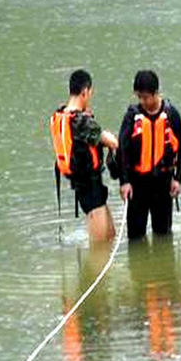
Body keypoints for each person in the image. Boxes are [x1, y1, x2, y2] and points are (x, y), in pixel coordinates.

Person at [117, 70, 181, 240]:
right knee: (135, 237)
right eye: (139, 97)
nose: (143, 101)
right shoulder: (132, 116)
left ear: (156, 93)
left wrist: (178, 179)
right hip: (137, 185)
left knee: (163, 235)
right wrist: (124, 182)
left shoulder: (171, 115)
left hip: (163, 184)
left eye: (146, 97)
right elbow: (122, 151)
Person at [50, 69, 119, 243]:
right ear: (85, 92)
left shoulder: (61, 114)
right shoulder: (81, 121)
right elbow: (113, 142)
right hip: (90, 190)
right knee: (101, 246)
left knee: (110, 236)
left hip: (86, 187)